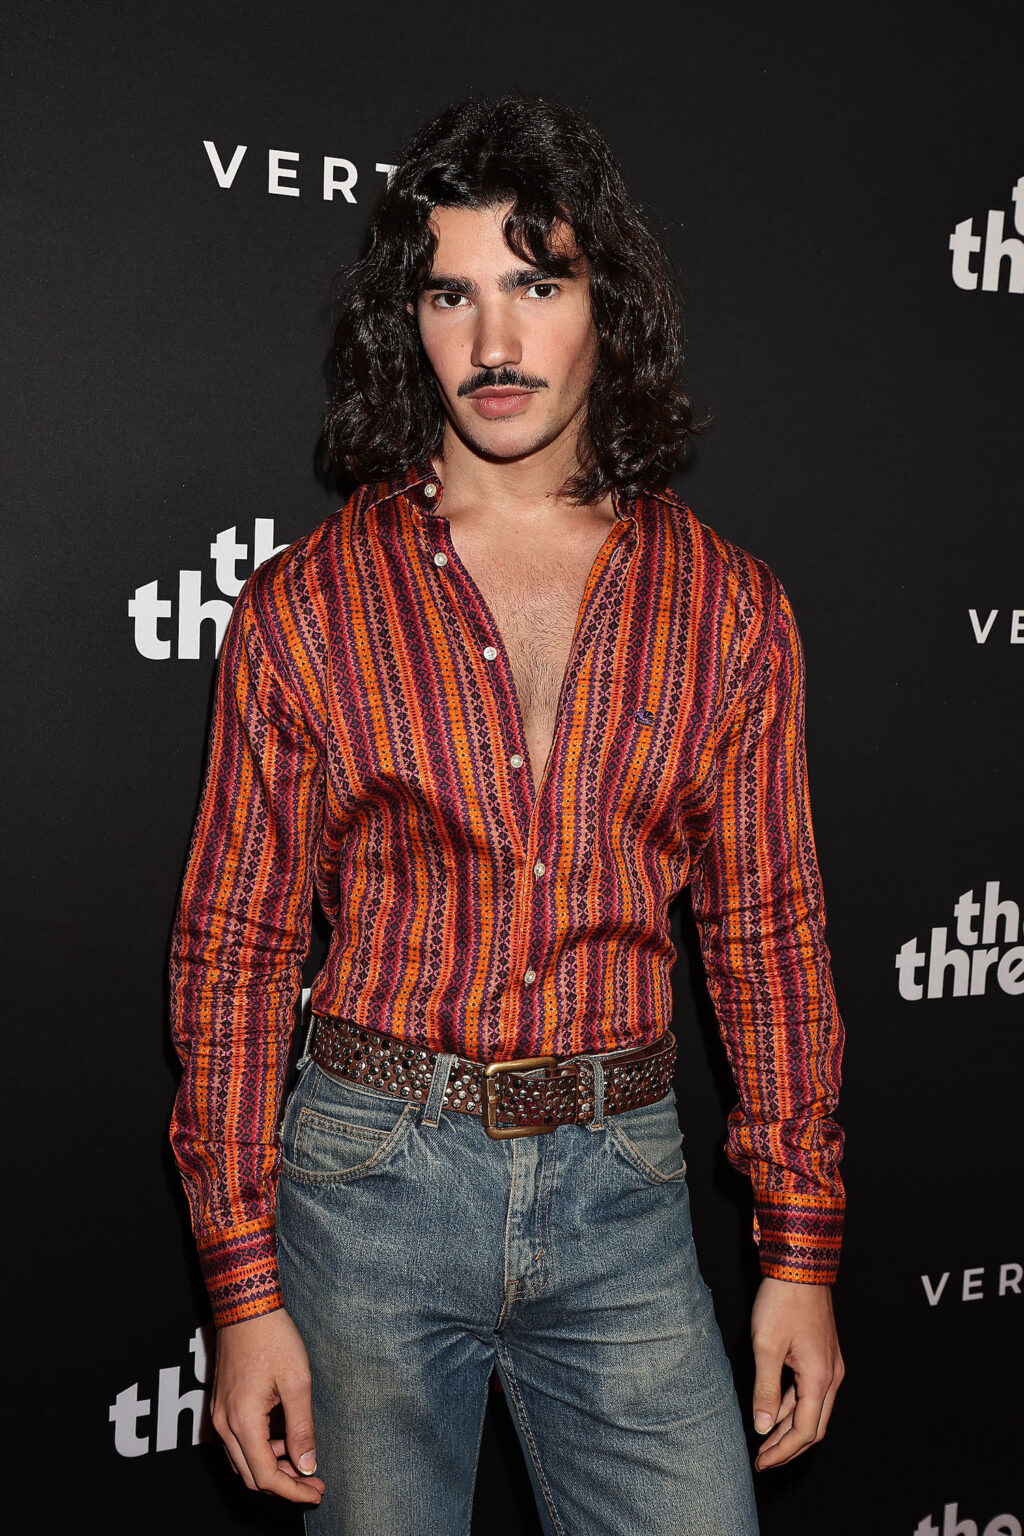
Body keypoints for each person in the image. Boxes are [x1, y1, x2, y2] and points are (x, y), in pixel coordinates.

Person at [169, 91, 845, 1535]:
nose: (494, 343)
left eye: (538, 284)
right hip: (367, 1186)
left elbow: (769, 937)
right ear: (403, 325)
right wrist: (241, 1286)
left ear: (608, 303)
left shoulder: (729, 610)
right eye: (452, 294)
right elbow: (234, 950)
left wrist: (800, 1248)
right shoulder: (306, 609)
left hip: (626, 1188)